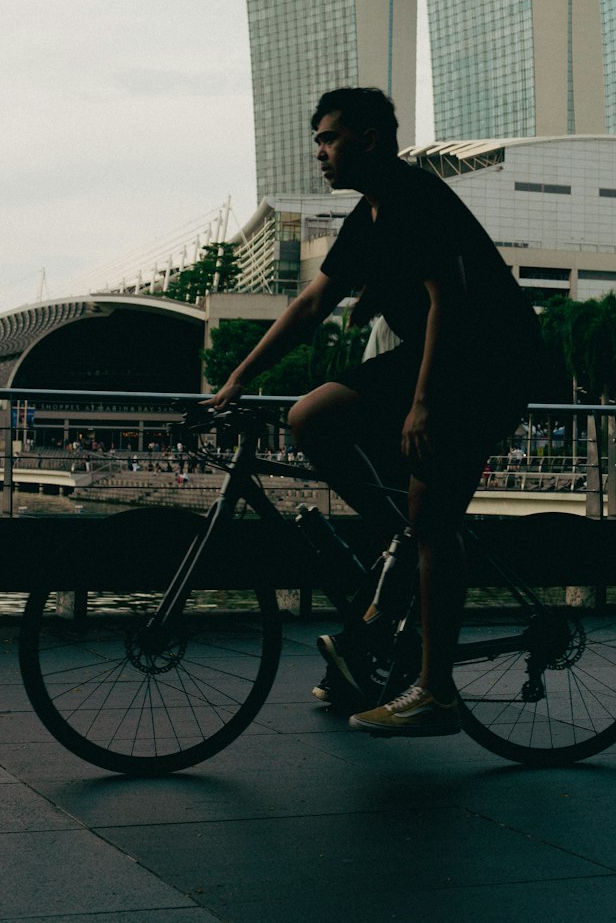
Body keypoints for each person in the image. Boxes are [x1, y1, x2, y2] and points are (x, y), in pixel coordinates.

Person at [208, 86, 545, 738]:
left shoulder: (416, 199)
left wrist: (422, 407)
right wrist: (237, 380)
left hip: (484, 364)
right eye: (318, 141)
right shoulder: (369, 215)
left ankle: (436, 691)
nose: (320, 154)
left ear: (367, 138)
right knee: (310, 418)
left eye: (329, 139)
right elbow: (310, 307)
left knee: (432, 521)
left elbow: (448, 301)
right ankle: (409, 537)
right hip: (431, 356)